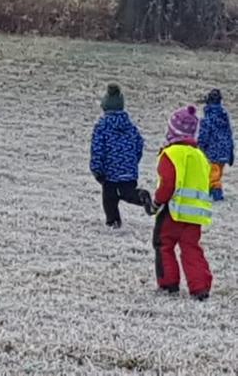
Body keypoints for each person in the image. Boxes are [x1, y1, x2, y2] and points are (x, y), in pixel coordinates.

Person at [153, 106, 213, 301]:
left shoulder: (170, 154)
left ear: (172, 130)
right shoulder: (200, 156)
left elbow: (167, 184)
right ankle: (200, 288)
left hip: (173, 211)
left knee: (164, 244)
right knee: (191, 248)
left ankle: (168, 283)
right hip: (195, 214)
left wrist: (156, 202)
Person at [89, 84, 156, 227]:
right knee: (127, 192)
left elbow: (97, 149)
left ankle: (113, 221)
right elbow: (139, 144)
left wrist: (97, 169)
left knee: (109, 198)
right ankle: (140, 196)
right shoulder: (130, 126)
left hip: (110, 172)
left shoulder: (102, 127)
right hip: (129, 169)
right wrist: (132, 162)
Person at [198, 89, 234, 202]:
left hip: (212, 152)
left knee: (213, 175)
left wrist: (200, 146)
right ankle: (212, 191)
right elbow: (229, 135)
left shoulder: (207, 119)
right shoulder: (224, 117)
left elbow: (204, 135)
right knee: (217, 173)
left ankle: (217, 194)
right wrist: (231, 152)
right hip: (224, 151)